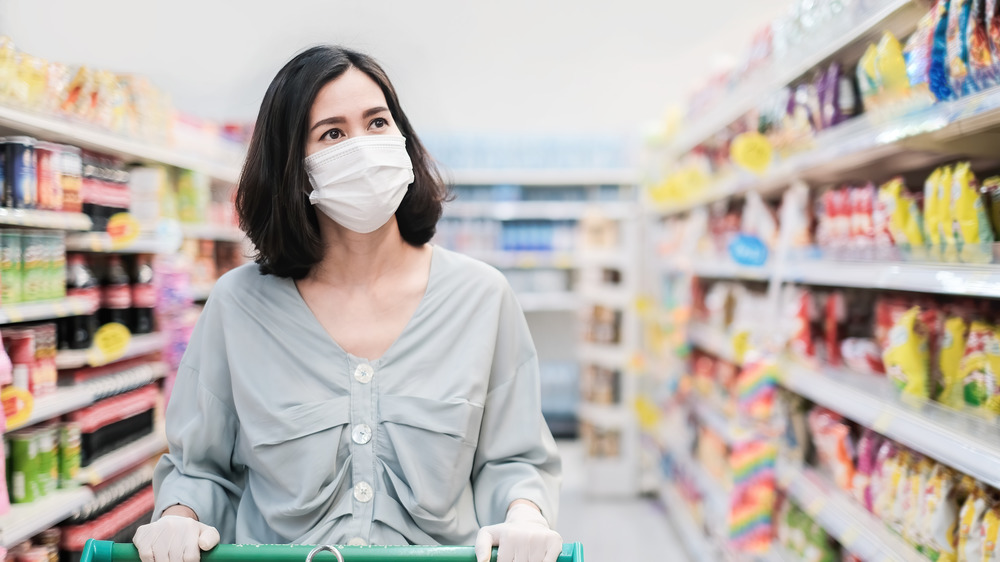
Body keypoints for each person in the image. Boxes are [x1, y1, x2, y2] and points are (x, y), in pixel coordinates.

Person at [132, 46, 563, 562]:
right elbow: (201, 469)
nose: (363, 148)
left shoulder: (481, 297)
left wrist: (524, 514)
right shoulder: (237, 306)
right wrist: (179, 518)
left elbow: (512, 459)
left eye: (377, 122)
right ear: (293, 164)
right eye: (332, 133)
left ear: (403, 139)